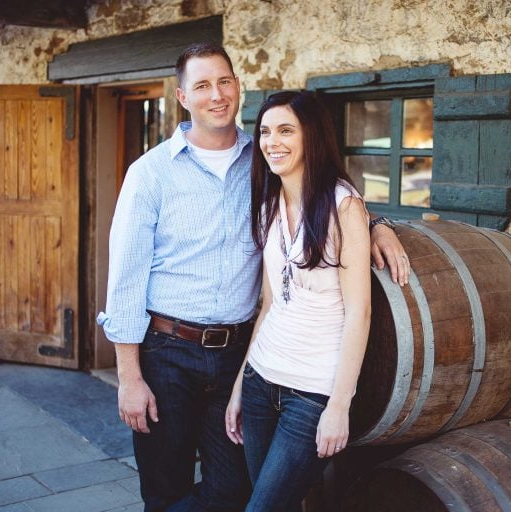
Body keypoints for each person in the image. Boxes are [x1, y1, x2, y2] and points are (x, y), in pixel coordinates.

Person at [97, 43, 409, 512]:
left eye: (224, 81)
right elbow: (124, 278)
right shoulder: (150, 174)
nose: (216, 95)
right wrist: (128, 377)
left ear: (238, 86)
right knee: (165, 489)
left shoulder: (262, 160)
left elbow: (320, 188)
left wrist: (375, 223)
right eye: (202, 85)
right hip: (168, 354)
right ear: (183, 97)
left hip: (238, 355)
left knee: (234, 490)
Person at [225, 91, 370, 512]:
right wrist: (239, 386)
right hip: (259, 381)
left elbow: (359, 313)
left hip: (311, 393)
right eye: (266, 132)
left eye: (286, 130)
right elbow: (269, 304)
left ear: (312, 137)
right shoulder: (270, 202)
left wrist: (340, 405)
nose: (272, 141)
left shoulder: (343, 206)